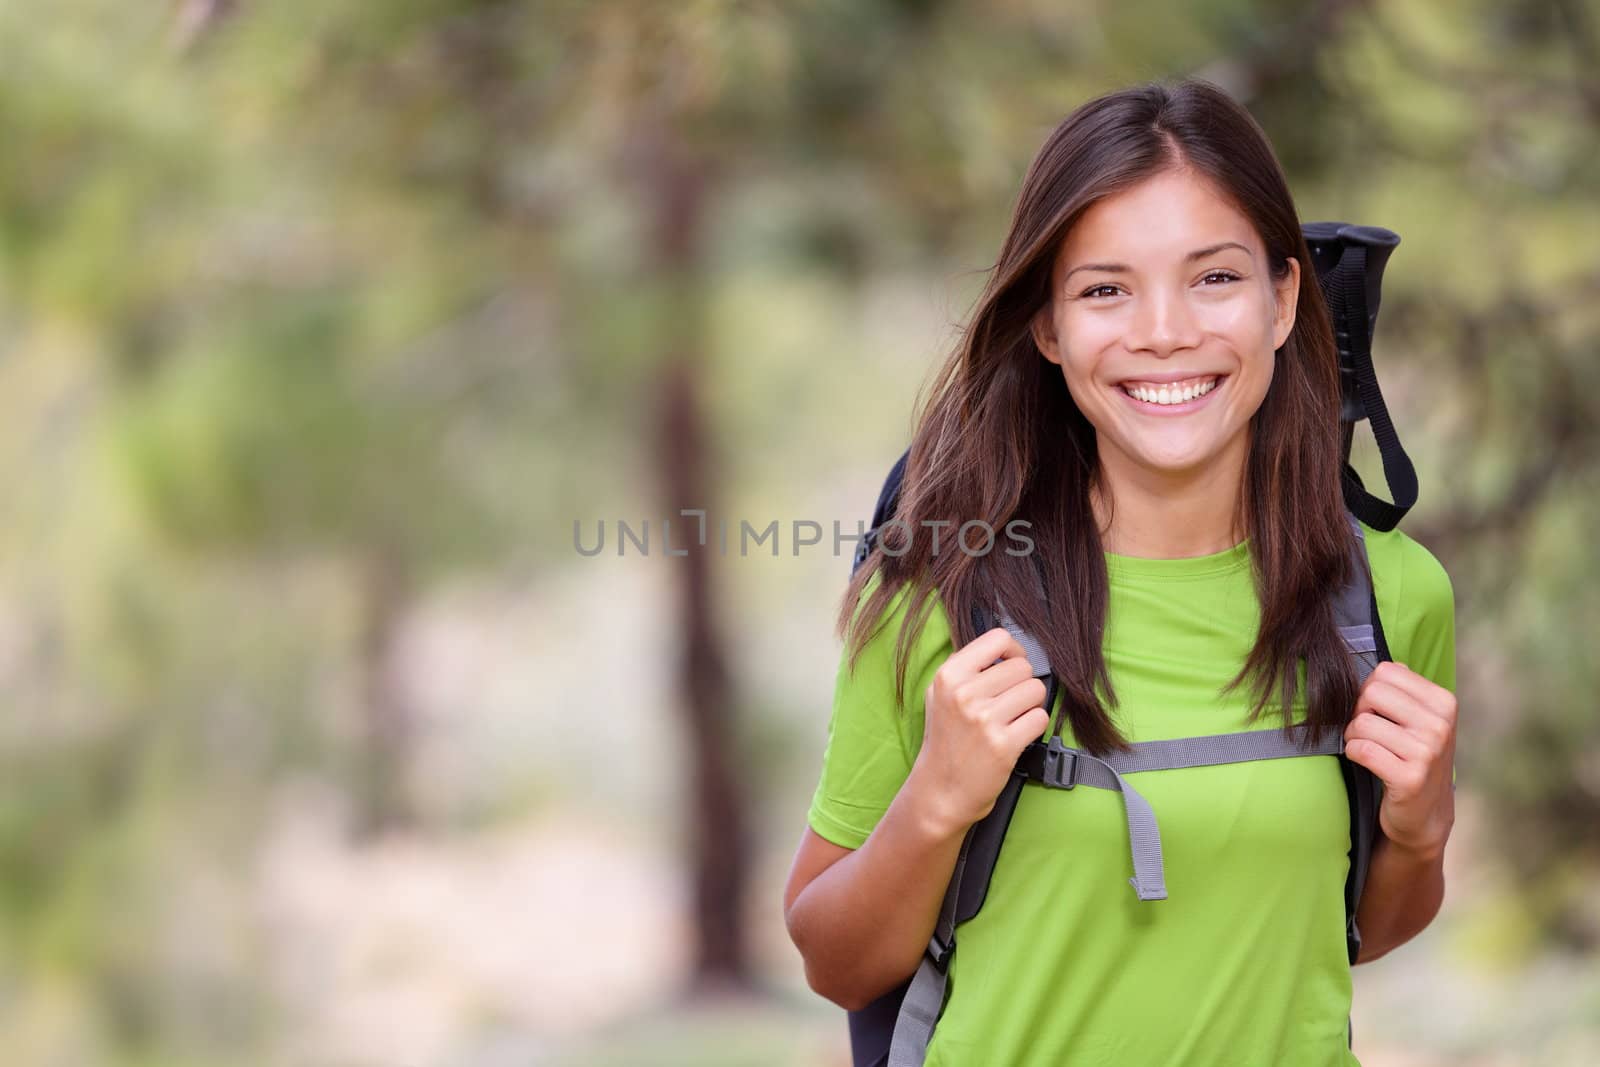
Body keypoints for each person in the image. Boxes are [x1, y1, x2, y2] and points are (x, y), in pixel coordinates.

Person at [782, 79, 1457, 1067]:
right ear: (1049, 328)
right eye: (1104, 289)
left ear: (1282, 299)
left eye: (1213, 278)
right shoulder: (943, 599)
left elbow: (1352, 930)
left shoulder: (1388, 596)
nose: (1163, 331)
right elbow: (837, 962)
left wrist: (1422, 828)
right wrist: (936, 798)